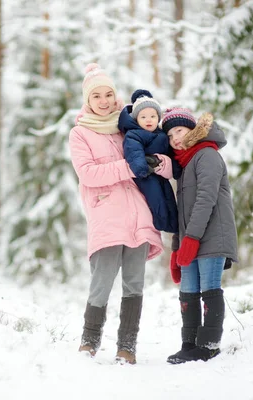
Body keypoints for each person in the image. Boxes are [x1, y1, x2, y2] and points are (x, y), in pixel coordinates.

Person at [68, 63, 168, 364]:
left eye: (108, 94)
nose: (103, 100)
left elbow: (157, 151)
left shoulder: (128, 128)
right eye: (96, 95)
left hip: (138, 215)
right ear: (88, 100)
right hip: (107, 216)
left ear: (115, 97)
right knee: (103, 280)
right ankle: (89, 341)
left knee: (134, 283)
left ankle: (127, 346)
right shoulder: (80, 133)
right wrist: (129, 167)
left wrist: (159, 162)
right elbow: (87, 174)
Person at [161, 107, 238, 364]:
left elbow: (206, 199)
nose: (175, 139)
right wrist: (176, 248)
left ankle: (209, 345)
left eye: (179, 131)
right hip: (191, 239)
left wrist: (191, 239)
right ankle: (189, 344)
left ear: (193, 130)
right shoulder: (186, 165)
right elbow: (181, 214)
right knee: (188, 291)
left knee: (209, 289)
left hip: (212, 237)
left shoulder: (207, 155)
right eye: (170, 135)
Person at [118, 89, 179, 233]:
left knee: (168, 196)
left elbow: (171, 153)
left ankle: (173, 224)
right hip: (145, 174)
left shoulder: (162, 135)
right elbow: (133, 151)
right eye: (143, 117)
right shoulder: (133, 134)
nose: (149, 120)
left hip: (160, 173)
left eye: (152, 116)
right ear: (136, 119)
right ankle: (161, 222)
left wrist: (175, 166)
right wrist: (141, 168)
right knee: (155, 197)